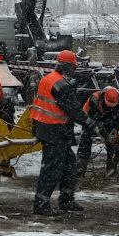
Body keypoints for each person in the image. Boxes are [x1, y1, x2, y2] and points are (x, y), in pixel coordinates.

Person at [29, 49, 89, 215]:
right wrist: (93, 125)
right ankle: (41, 205)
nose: (74, 70)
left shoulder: (48, 78)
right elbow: (75, 111)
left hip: (49, 129)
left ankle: (67, 200)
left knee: (69, 166)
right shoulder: (60, 85)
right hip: (53, 131)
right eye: (73, 67)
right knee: (52, 168)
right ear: (67, 66)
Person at [77, 85, 119, 177]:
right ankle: (80, 167)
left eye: (113, 106)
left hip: (109, 119)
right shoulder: (95, 99)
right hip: (89, 119)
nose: (110, 107)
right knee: (86, 139)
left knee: (114, 143)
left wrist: (115, 128)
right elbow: (94, 119)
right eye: (109, 105)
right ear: (105, 98)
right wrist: (102, 132)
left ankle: (111, 168)